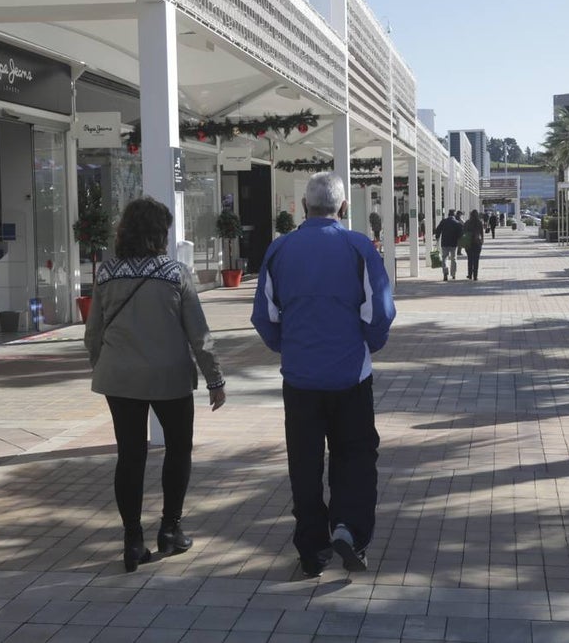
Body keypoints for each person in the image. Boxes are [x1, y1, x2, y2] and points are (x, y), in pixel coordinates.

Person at [252, 172, 395, 578]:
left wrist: (287, 346)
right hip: (351, 376)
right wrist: (368, 344)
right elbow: (381, 311)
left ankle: (312, 548)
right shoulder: (358, 247)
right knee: (356, 455)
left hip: (300, 379)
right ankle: (349, 529)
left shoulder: (280, 249)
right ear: (343, 207)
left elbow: (264, 315)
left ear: (303, 207)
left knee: (305, 463)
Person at [84, 197, 227, 573]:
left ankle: (133, 541)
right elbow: (199, 333)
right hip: (170, 377)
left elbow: (93, 332)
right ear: (159, 233)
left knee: (130, 456)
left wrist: (102, 365)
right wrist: (214, 379)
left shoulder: (107, 272)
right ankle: (170, 528)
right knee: (178, 450)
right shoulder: (175, 273)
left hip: (119, 377)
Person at [433, 209, 463, 281]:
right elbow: (461, 233)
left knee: (444, 258)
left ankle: (445, 272)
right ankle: (453, 274)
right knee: (453, 259)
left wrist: (437, 237)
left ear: (448, 214)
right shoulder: (457, 223)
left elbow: (438, 230)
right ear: (454, 215)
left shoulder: (444, 221)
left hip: (445, 243)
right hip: (453, 243)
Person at [463, 209, 486, 281]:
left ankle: (470, 274)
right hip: (477, 242)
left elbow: (464, 232)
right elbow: (481, 233)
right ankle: (475, 275)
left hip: (469, 243)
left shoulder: (467, 222)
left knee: (470, 259)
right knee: (476, 260)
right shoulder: (479, 222)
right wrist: (482, 240)